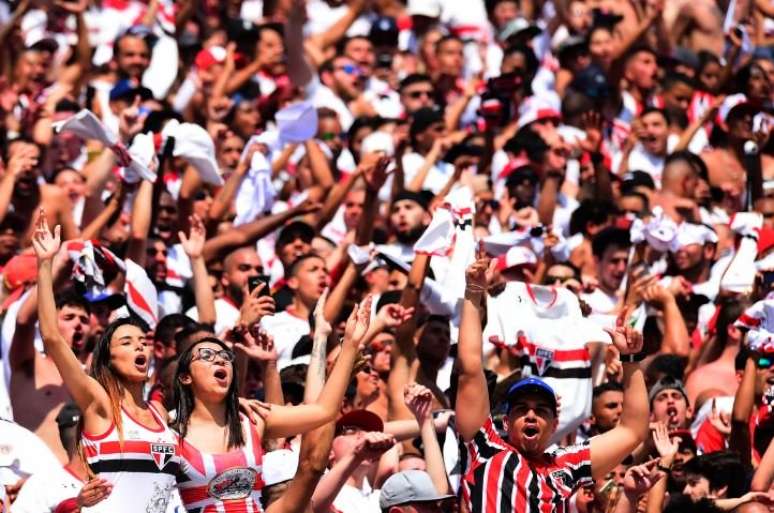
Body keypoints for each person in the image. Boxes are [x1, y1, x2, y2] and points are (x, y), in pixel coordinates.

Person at [455, 252, 649, 512]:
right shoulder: (485, 447)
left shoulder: (567, 465)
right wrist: (474, 292)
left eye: (542, 410)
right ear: (506, 421)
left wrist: (631, 359)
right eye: (522, 409)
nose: (532, 415)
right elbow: (469, 368)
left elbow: (632, 431)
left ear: (556, 424)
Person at [32, 209, 183, 512]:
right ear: (109, 358)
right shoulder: (99, 403)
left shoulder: (160, 413)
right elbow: (51, 336)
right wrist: (45, 263)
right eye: (127, 342)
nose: (140, 347)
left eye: (143, 342)